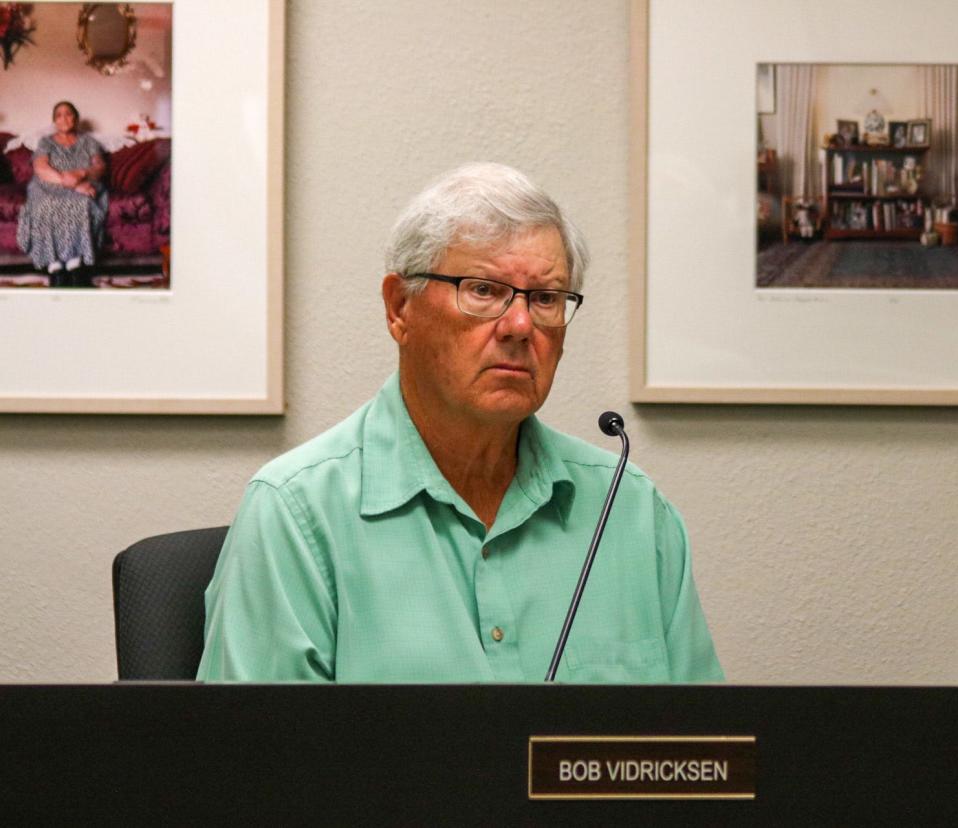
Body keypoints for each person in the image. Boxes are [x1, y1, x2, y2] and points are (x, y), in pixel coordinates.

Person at [198, 162, 724, 684]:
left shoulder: (630, 510)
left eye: (545, 299)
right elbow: (256, 764)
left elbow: (706, 756)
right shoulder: (296, 513)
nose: (520, 325)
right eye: (483, 290)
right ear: (399, 307)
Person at [16, 101, 109, 288]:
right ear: (54, 121)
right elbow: (41, 168)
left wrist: (82, 174)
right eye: (59, 115)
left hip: (84, 183)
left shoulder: (89, 142)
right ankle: (55, 266)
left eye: (68, 114)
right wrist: (73, 185)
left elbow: (99, 167)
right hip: (48, 184)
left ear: (75, 118)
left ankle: (75, 264)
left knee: (81, 204)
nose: (64, 118)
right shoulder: (46, 142)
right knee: (45, 205)